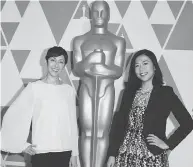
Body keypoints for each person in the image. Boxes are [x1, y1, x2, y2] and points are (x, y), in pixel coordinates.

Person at [107, 49, 193, 167]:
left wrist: (168, 144)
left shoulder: (165, 93)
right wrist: (112, 154)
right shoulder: (127, 93)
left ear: (154, 66)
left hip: (151, 157)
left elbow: (188, 123)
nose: (141, 69)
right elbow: (118, 126)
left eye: (145, 63)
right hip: (125, 155)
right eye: (137, 65)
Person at [1, 46, 78, 167]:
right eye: (53, 60)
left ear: (64, 65)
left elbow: (72, 124)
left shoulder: (68, 90)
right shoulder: (34, 88)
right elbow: (13, 116)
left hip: (64, 152)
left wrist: (75, 154)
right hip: (41, 153)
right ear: (46, 61)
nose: (56, 65)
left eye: (61, 61)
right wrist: (22, 145)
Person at [72, 1, 126, 167]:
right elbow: (77, 69)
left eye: (103, 12)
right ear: (90, 14)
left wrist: (101, 67)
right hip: (86, 88)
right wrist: (90, 60)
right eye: (95, 12)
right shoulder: (79, 40)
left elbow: (118, 71)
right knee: (86, 132)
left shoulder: (118, 41)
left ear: (109, 15)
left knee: (102, 132)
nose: (99, 16)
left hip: (106, 89)